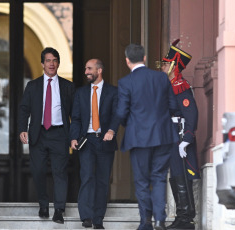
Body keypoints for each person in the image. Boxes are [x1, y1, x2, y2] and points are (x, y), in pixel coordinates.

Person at [117, 44, 179, 230]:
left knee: (142, 180)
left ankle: (146, 221)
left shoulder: (125, 82)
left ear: (127, 61)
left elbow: (121, 112)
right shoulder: (161, 77)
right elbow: (173, 105)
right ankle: (160, 220)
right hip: (163, 135)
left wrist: (131, 125)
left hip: (139, 138)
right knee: (159, 177)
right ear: (144, 58)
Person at [18, 47, 75, 224]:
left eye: (55, 60)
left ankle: (59, 209)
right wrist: (22, 129)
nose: (51, 64)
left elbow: (75, 113)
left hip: (60, 134)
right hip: (39, 133)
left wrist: (74, 135)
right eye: (48, 60)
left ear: (58, 63)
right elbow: (23, 109)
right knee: (38, 170)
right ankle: (43, 204)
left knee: (60, 172)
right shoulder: (33, 86)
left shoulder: (67, 86)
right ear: (42, 64)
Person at [70, 59, 119, 229]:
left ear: (99, 70)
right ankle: (86, 216)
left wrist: (112, 130)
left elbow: (117, 115)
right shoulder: (81, 93)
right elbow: (75, 118)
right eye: (85, 69)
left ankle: (98, 219)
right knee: (87, 177)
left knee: (102, 180)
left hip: (105, 139)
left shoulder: (113, 92)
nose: (86, 72)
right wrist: (73, 137)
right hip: (87, 140)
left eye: (89, 69)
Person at [159, 39, 200, 230]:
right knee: (175, 176)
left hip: (179, 137)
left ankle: (187, 219)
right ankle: (181, 217)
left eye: (166, 63)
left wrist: (186, 141)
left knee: (181, 175)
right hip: (169, 136)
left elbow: (191, 115)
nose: (163, 66)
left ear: (174, 66)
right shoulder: (168, 86)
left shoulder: (181, 86)